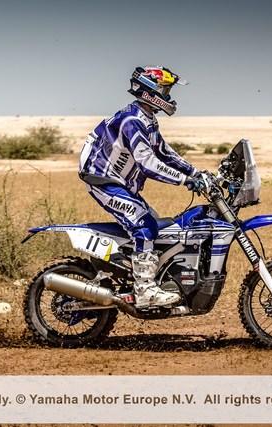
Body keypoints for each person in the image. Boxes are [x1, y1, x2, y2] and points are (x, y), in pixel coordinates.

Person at [78, 66, 203, 308]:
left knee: (158, 227)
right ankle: (145, 290)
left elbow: (164, 152)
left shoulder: (146, 118)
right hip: (105, 181)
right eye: (165, 90)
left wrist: (197, 173)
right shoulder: (133, 120)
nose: (168, 96)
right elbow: (149, 164)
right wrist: (185, 180)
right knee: (144, 226)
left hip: (120, 183)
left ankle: (137, 274)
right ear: (150, 91)